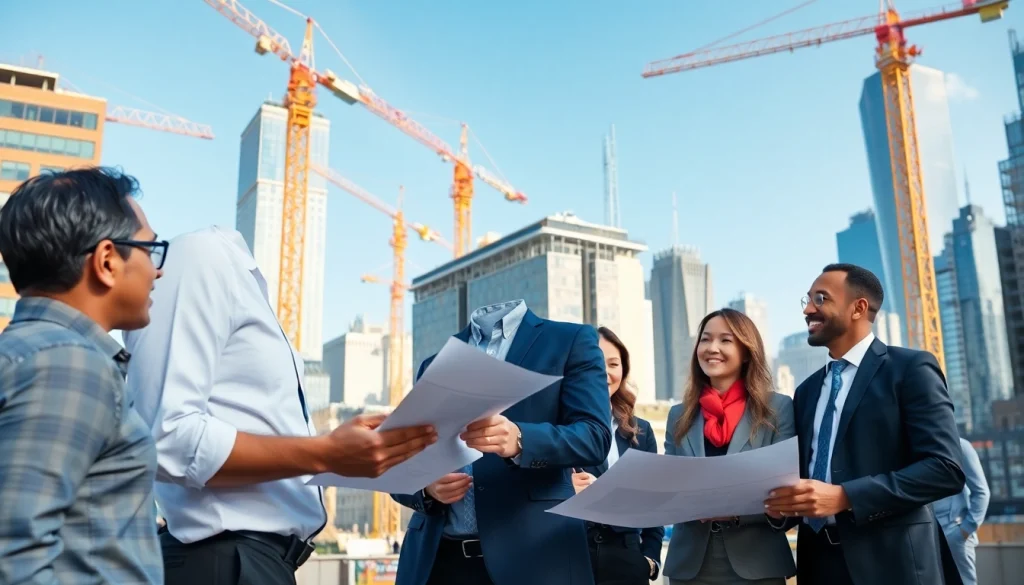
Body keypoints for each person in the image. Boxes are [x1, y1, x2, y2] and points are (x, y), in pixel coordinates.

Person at [124, 225, 436, 585]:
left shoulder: (239, 275)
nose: (154, 261)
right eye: (147, 244)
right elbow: (167, 438)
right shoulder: (199, 255)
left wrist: (332, 449)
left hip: (254, 563)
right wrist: (325, 452)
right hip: (226, 562)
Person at [0, 167, 165, 583]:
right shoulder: (69, 365)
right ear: (107, 260)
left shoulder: (31, 352)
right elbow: (14, 557)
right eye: (150, 249)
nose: (157, 270)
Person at [764, 263, 966, 585]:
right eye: (807, 299)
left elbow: (945, 469)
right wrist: (782, 511)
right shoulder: (805, 392)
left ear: (858, 308)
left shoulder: (910, 369)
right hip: (818, 565)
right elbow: (808, 477)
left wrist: (846, 497)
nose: (808, 309)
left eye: (821, 299)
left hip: (894, 564)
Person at [391, 299, 612, 585]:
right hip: (437, 563)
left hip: (535, 560)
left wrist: (521, 439)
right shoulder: (434, 364)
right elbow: (401, 465)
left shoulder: (570, 340)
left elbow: (594, 436)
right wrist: (426, 487)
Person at [663, 308, 796, 585]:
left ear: (746, 351)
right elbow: (669, 486)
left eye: (725, 340)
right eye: (705, 339)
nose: (712, 348)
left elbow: (786, 494)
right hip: (690, 568)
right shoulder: (679, 414)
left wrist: (733, 510)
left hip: (757, 566)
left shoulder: (777, 409)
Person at [571, 326, 665, 585]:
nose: (605, 372)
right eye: (594, 362)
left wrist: (649, 560)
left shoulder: (641, 431)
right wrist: (564, 489)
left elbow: (654, 504)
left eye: (614, 363)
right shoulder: (559, 426)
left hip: (628, 560)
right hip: (571, 557)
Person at [933, 437, 990, 585]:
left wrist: (965, 530)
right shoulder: (922, 446)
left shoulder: (961, 446)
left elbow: (982, 492)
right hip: (929, 535)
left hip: (954, 533)